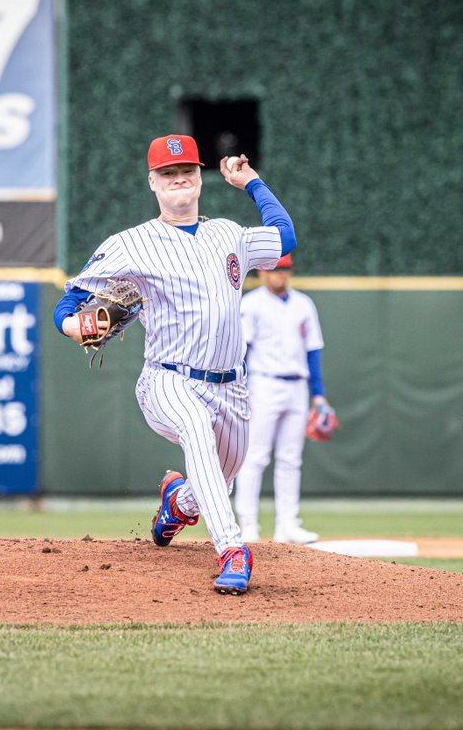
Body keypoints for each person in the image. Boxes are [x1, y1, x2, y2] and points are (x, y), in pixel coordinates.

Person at [54, 133, 296, 594]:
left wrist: (252, 183)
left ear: (200, 177)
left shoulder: (229, 234)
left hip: (232, 387)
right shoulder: (130, 244)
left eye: (186, 170)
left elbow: (286, 236)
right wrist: (72, 327)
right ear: (153, 182)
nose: (178, 178)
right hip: (169, 379)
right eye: (168, 173)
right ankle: (232, 550)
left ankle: (177, 505)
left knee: (217, 482)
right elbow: (68, 304)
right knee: (196, 431)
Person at [233, 254, 337, 544]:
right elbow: (242, 351)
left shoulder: (304, 304)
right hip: (263, 383)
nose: (281, 275)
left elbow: (313, 351)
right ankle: (249, 524)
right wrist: (239, 389)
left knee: (291, 458)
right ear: (263, 274)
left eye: (285, 270)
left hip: (297, 386)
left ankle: (287, 525)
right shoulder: (250, 304)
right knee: (255, 456)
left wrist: (318, 396)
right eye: (276, 270)